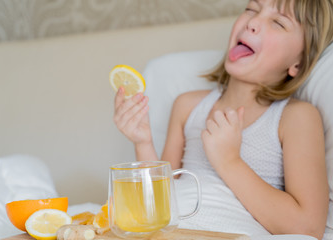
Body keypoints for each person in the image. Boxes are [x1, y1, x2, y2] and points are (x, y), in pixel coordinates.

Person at [113, 0, 333, 239]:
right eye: (252, 9)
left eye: (278, 22)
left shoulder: (296, 117)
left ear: (298, 64)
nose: (253, 22)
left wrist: (229, 160)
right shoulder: (187, 105)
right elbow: (160, 205)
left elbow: (307, 228)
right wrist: (142, 142)